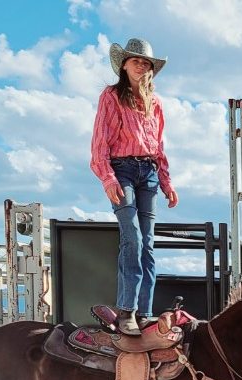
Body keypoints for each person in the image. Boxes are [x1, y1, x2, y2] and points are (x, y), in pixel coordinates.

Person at [90, 38, 179, 336]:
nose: (141, 65)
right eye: (136, 60)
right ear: (124, 64)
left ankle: (145, 313)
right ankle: (126, 310)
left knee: (149, 244)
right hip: (122, 170)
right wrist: (108, 177)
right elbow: (100, 141)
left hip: (149, 173)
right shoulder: (112, 96)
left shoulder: (156, 103)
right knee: (133, 238)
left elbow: (159, 145)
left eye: (146, 62)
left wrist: (167, 183)